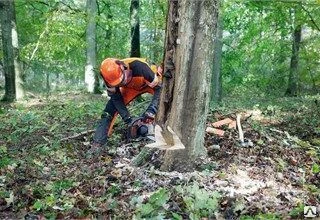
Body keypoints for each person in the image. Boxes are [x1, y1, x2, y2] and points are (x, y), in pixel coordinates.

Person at [88, 57, 162, 157]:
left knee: (164, 99)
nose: (122, 82)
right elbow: (116, 99)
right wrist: (128, 119)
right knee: (108, 111)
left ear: (124, 67)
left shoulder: (140, 67)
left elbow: (159, 89)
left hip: (149, 83)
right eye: (119, 83)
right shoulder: (109, 78)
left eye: (122, 80)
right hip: (129, 89)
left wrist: (152, 110)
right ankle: (98, 143)